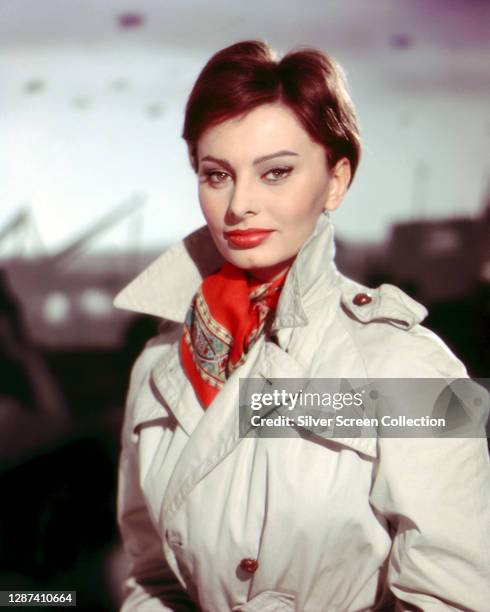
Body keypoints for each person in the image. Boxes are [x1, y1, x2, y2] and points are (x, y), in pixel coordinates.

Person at [114, 40, 490, 611]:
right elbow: (149, 580)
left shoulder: (410, 365)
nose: (239, 204)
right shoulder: (157, 368)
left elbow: (460, 599)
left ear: (336, 180)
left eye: (276, 173)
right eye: (217, 175)